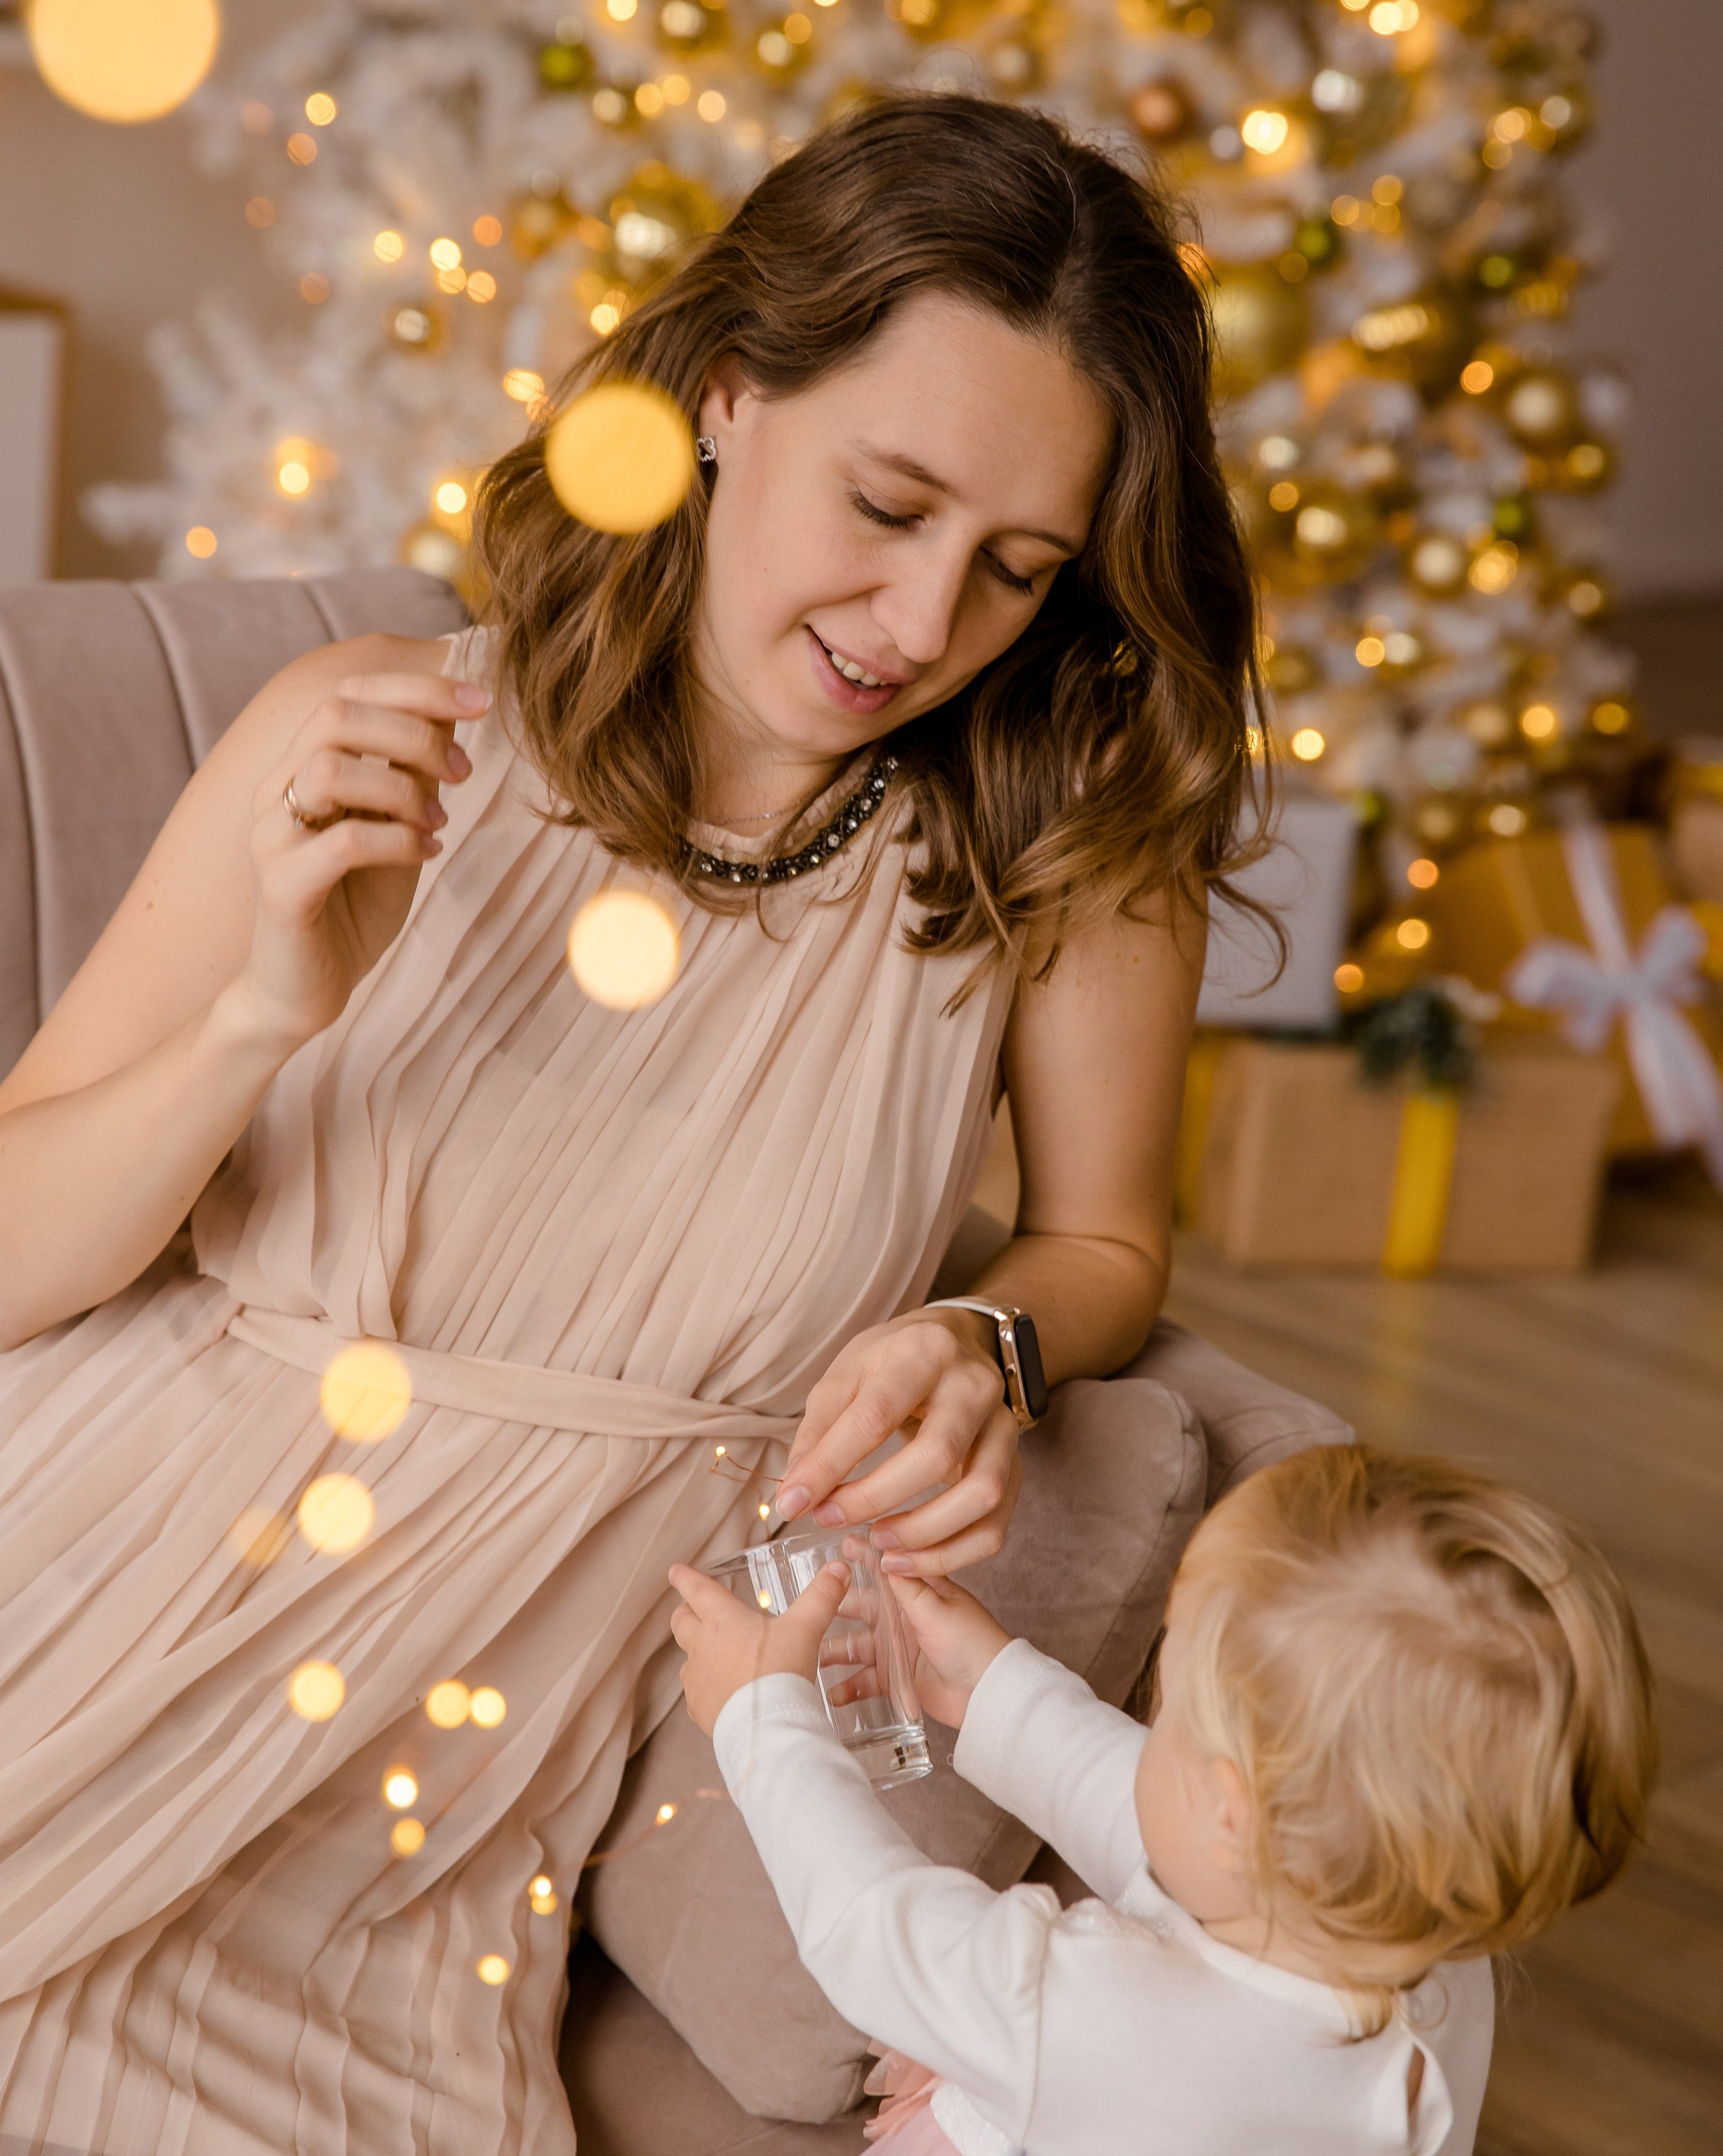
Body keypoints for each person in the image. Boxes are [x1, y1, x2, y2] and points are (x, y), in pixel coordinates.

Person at [0, 96, 1261, 2146]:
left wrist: (988, 1339)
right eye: (887, 501)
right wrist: (253, 1013)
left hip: (420, 1804)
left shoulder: (1068, 864)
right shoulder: (374, 736)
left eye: (1014, 568)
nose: (922, 623)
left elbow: (1109, 1244)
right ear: (725, 399)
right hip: (80, 1567)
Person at [670, 1446, 1658, 2156]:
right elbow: (1174, 1838)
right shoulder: (1441, 1952)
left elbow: (875, 1931)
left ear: (1232, 1806)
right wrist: (1001, 1693)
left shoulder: (1086, 2016)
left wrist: (765, 1719)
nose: (1152, 1721)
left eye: (1169, 1700)